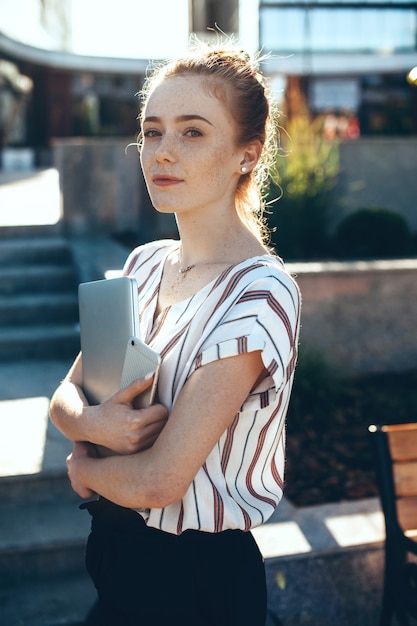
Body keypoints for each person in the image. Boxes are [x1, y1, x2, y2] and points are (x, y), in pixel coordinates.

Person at [49, 39, 301, 626]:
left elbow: (162, 480)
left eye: (193, 132)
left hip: (197, 581)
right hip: (115, 553)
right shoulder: (144, 263)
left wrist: (84, 469)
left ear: (246, 154)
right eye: (152, 130)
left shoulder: (259, 291)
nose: (163, 153)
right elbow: (66, 395)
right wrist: (90, 424)